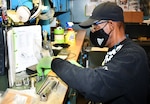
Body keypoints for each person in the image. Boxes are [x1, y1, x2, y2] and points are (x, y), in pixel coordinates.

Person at [36, 2, 150, 104]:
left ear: (110, 25)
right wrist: (75, 67)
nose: (93, 30)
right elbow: (108, 76)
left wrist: (54, 63)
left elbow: (95, 85)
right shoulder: (117, 49)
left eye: (96, 25)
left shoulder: (133, 56)